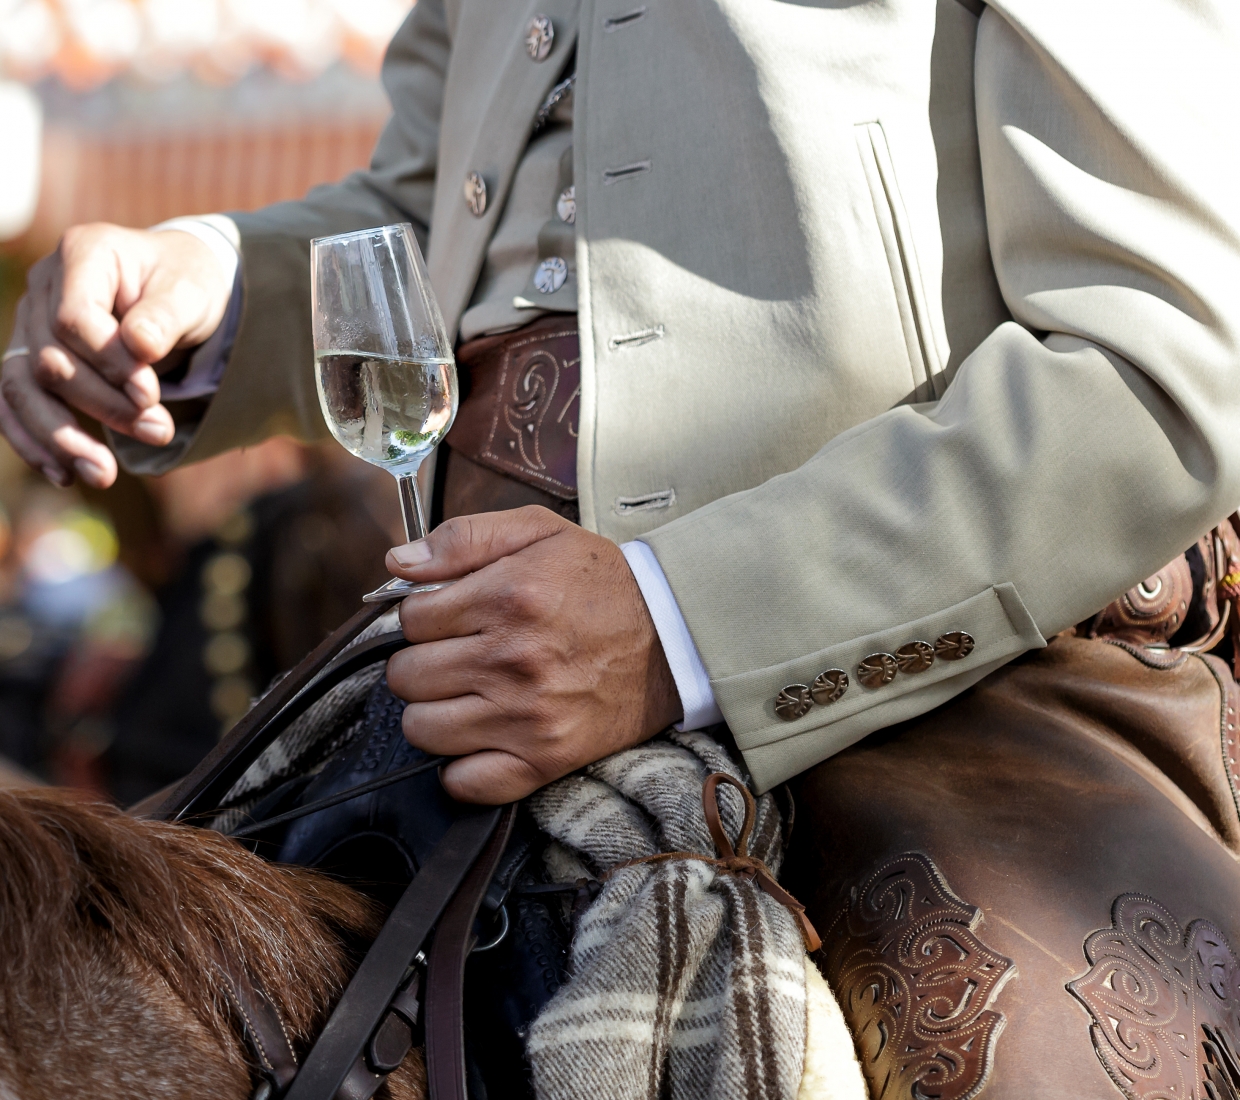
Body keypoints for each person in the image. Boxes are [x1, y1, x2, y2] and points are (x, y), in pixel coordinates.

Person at [3, 2, 1240, 1093]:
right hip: (460, 660)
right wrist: (208, 285)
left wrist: (677, 617)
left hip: (942, 670)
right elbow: (429, 213)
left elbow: (1166, 360)